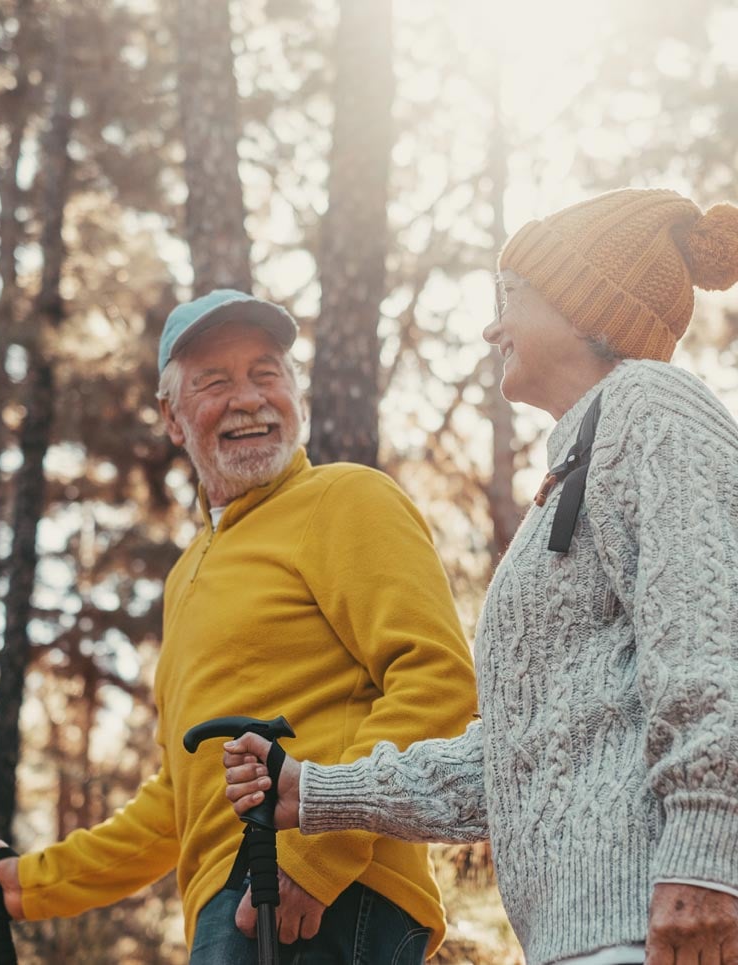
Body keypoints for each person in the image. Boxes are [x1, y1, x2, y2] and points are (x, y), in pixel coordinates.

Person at [223, 189, 738, 965]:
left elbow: (710, 642)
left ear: (582, 304)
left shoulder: (652, 407)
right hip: (585, 937)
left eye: (513, 299)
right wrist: (316, 791)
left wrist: (706, 853)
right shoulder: (571, 474)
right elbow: (508, 757)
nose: (493, 326)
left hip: (658, 921)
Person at [0, 288, 478, 964]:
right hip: (227, 904)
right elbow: (181, 793)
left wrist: (315, 857)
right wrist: (32, 882)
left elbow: (438, 682)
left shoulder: (346, 497)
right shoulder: (186, 576)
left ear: (295, 390)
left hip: (330, 892)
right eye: (215, 382)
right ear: (172, 418)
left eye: (267, 373)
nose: (249, 398)